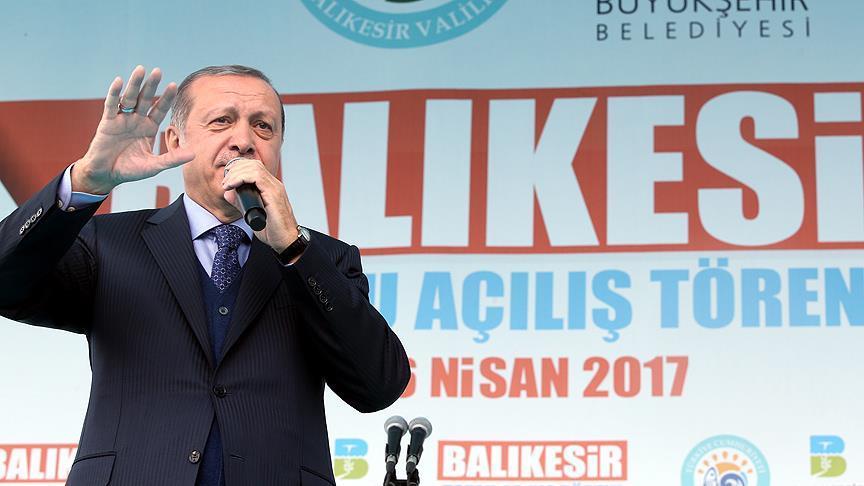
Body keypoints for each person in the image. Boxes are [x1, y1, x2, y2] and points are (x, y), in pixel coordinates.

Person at [0, 65, 410, 486]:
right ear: (175, 141)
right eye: (221, 121)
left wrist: (294, 251)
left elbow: (378, 384)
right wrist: (86, 180)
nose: (244, 140)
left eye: (263, 127)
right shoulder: (108, 243)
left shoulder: (323, 259)